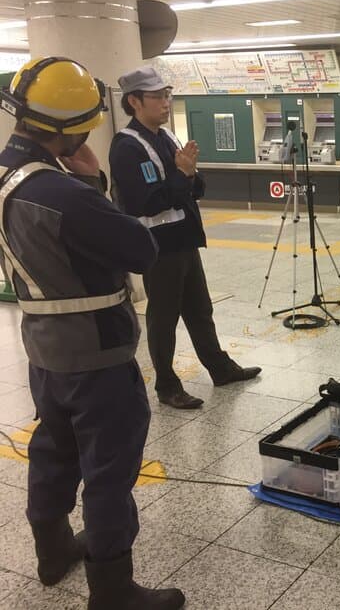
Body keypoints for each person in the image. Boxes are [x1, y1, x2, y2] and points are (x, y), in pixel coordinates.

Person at [0, 57, 184, 608]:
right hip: (97, 349)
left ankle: (53, 549)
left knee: (53, 449)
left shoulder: (8, 175)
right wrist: (91, 182)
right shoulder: (64, 193)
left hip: (44, 347)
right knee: (109, 466)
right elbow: (140, 248)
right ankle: (113, 587)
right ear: (73, 126)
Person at [109, 66, 260, 410]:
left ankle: (219, 368)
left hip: (184, 238)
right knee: (164, 316)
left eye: (167, 95)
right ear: (134, 101)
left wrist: (188, 176)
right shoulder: (127, 147)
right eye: (157, 96)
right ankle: (166, 384)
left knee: (199, 309)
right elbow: (144, 201)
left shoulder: (167, 137)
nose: (165, 102)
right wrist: (183, 176)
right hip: (158, 245)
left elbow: (193, 186)